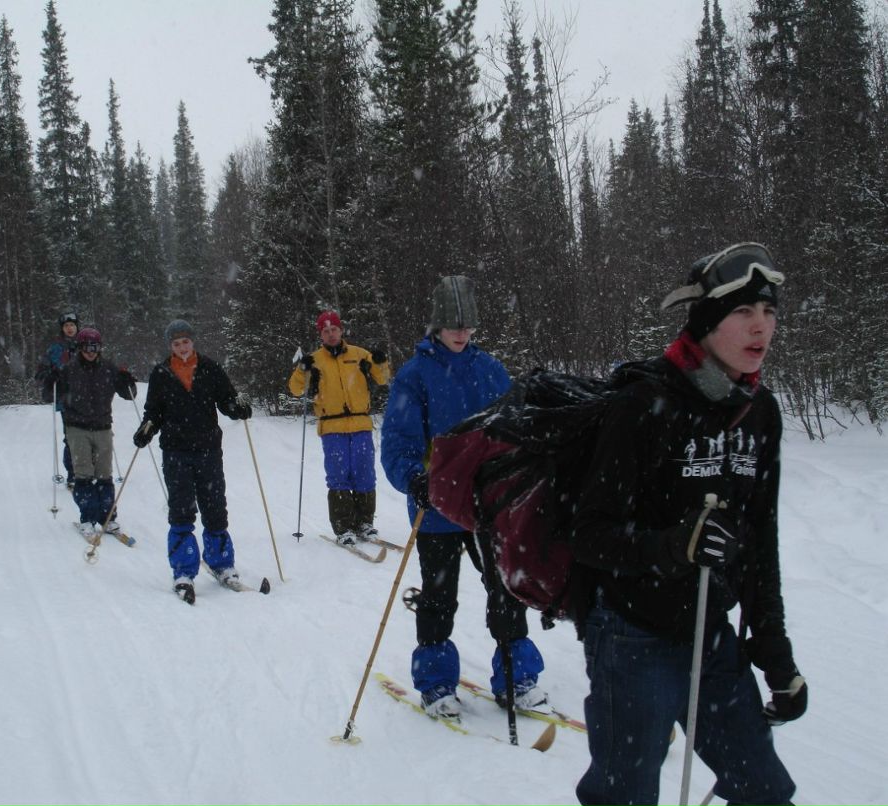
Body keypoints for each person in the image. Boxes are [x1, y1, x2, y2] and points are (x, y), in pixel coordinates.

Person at [569, 242, 804, 805]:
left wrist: (776, 657)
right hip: (631, 633)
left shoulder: (760, 411)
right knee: (625, 795)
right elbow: (590, 533)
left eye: (769, 312)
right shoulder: (646, 402)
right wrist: (674, 546)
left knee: (763, 789)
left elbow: (759, 541)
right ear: (705, 325)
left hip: (710, 633)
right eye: (743, 313)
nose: (761, 327)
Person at [380, 276, 547, 719]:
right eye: (453, 324)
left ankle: (516, 675)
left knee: (506, 590)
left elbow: (514, 429)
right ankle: (436, 682)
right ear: (437, 325)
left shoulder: (491, 370)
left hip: (489, 507)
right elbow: (397, 443)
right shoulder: (413, 377)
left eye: (468, 324)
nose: (461, 332)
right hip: (436, 511)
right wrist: (414, 479)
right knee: (438, 598)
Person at [132, 319, 254, 604]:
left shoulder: (210, 367)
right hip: (176, 451)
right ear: (170, 346)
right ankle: (184, 570)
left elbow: (227, 400)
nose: (182, 347)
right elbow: (154, 411)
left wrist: (238, 408)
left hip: (208, 448)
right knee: (182, 510)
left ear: (193, 341)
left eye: (186, 341)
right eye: (176, 343)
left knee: (214, 507)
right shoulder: (161, 373)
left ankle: (222, 563)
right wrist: (147, 427)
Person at [288, 310, 389, 545]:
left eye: (334, 329)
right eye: (326, 331)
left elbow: (382, 378)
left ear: (341, 330)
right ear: (321, 335)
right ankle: (344, 527)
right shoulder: (315, 360)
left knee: (365, 473)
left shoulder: (359, 354)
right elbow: (294, 389)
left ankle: (365, 523)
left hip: (360, 422)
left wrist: (382, 361)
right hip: (332, 426)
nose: (331, 334)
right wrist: (302, 370)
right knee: (338, 475)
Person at [43, 327, 137, 539]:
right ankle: (87, 518)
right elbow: (49, 395)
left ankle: (108, 518)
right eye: (87, 347)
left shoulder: (108, 368)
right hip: (77, 427)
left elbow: (129, 395)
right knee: (84, 474)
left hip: (103, 426)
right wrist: (51, 380)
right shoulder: (69, 369)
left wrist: (127, 381)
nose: (91, 351)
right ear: (80, 347)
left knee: (104, 475)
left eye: (95, 347)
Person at [36, 312, 80, 488]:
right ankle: (72, 474)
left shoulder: (86, 344)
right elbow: (41, 371)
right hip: (65, 398)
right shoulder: (55, 348)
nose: (70, 329)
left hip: (87, 398)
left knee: (90, 435)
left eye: (72, 325)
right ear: (62, 329)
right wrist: (49, 374)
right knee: (71, 437)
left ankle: (87, 471)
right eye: (66, 326)